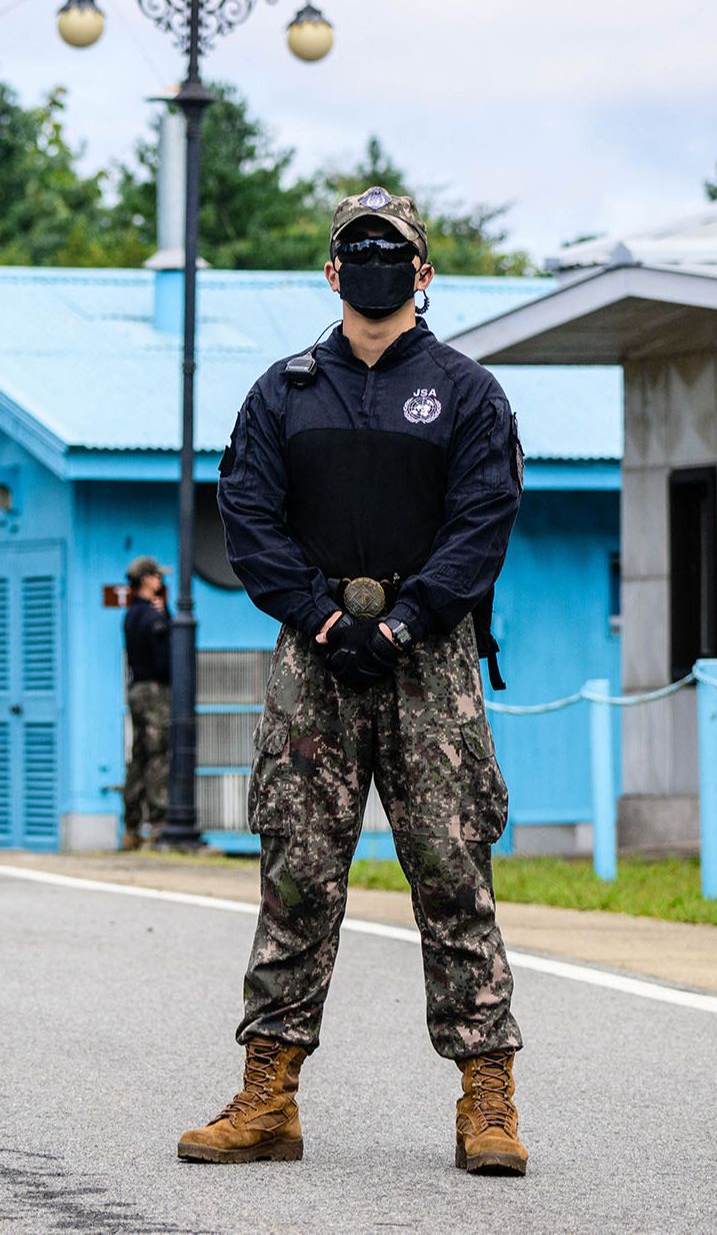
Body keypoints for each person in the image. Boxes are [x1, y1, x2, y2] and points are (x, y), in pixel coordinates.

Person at [178, 187, 528, 1175]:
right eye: (355, 248)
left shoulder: (465, 392)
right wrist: (323, 617)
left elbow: (482, 522)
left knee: (455, 872)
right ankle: (268, 1096)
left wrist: (411, 618)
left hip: (435, 659)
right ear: (332, 271)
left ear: (423, 271)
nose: (373, 261)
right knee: (295, 874)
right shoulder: (283, 393)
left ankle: (487, 1101)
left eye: (393, 248)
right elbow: (249, 520)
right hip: (312, 660)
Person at [121, 555, 171, 851]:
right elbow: (166, 656)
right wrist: (167, 615)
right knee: (158, 754)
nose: (161, 581)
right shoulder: (154, 618)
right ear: (147, 579)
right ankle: (158, 824)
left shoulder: (130, 615)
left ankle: (131, 826)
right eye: (157, 576)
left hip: (136, 688)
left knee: (138, 754)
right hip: (155, 691)